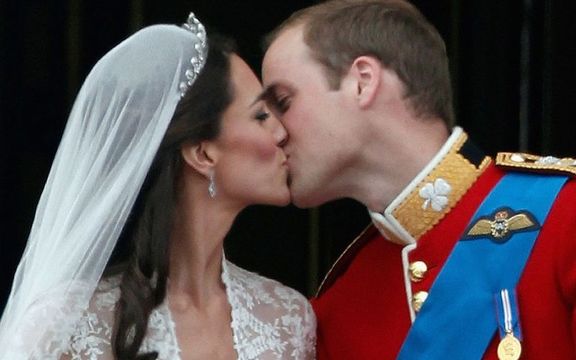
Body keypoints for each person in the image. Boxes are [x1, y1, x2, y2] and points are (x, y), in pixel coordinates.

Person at [261, 0, 576, 358]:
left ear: (362, 82)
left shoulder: (563, 217)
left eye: (283, 102)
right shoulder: (338, 304)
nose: (273, 133)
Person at [0, 13, 316, 360]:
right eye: (260, 116)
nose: (282, 132)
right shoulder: (68, 325)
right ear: (202, 153)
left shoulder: (288, 319)